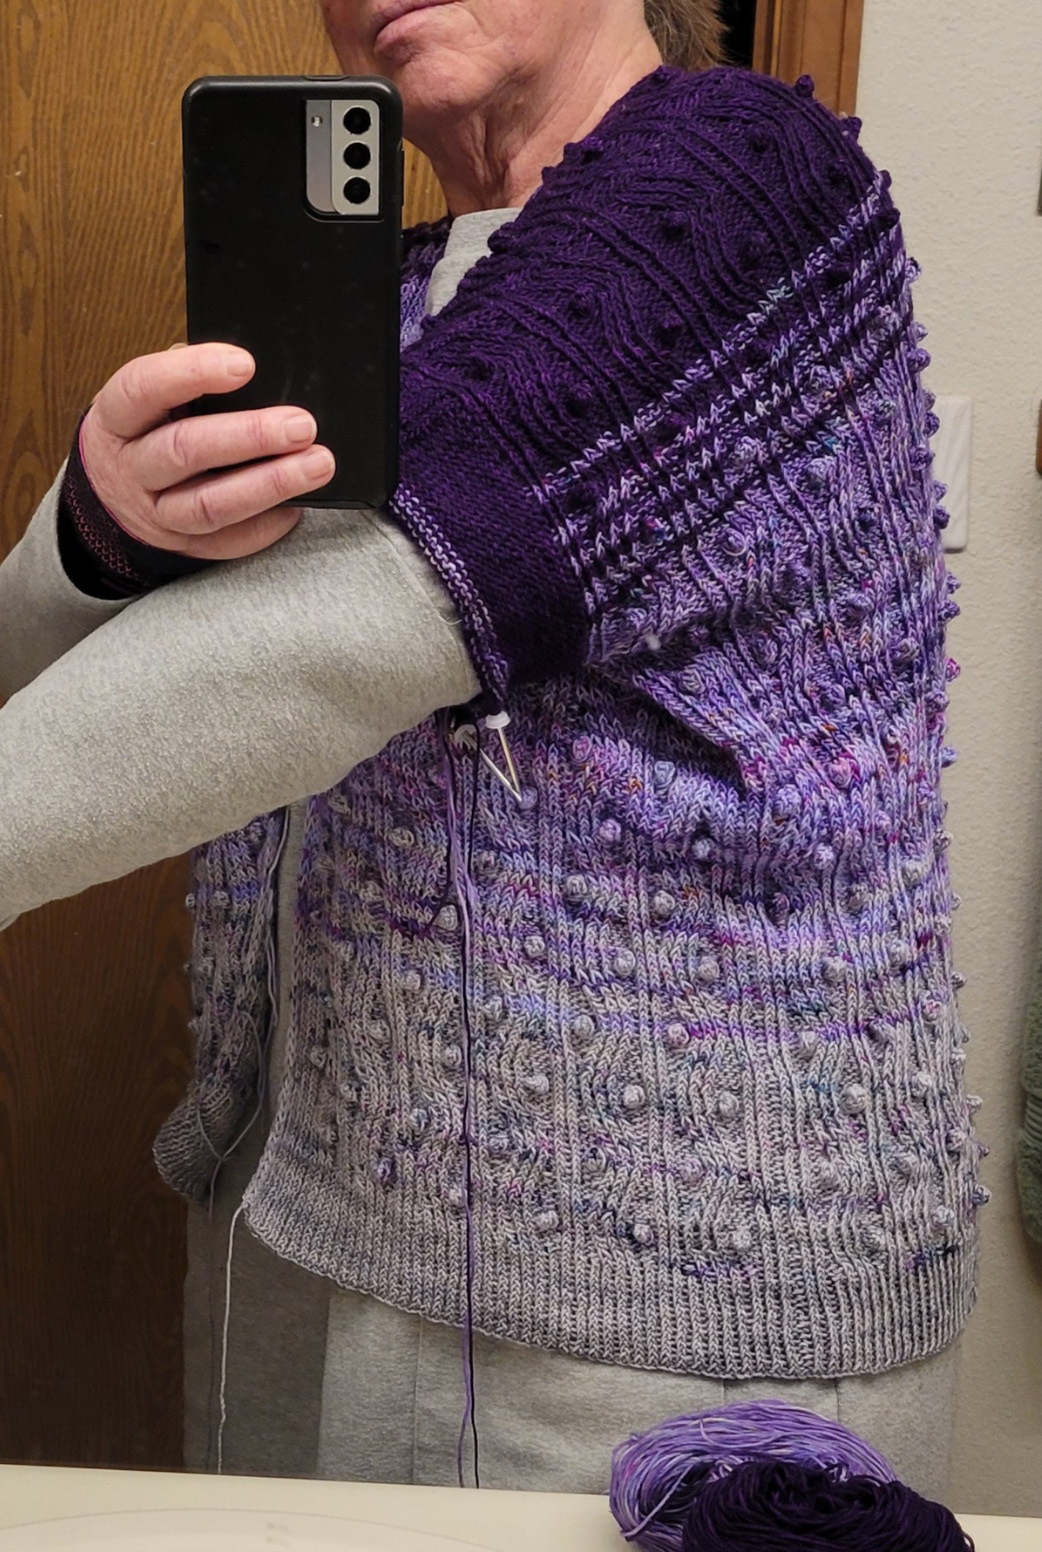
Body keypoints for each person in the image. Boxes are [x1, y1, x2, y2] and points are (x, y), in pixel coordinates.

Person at [0, 0, 985, 1501]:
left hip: (654, 1318)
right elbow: (107, 683)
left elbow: (327, 642)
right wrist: (96, 536)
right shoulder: (393, 299)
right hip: (318, 1219)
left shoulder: (735, 183)